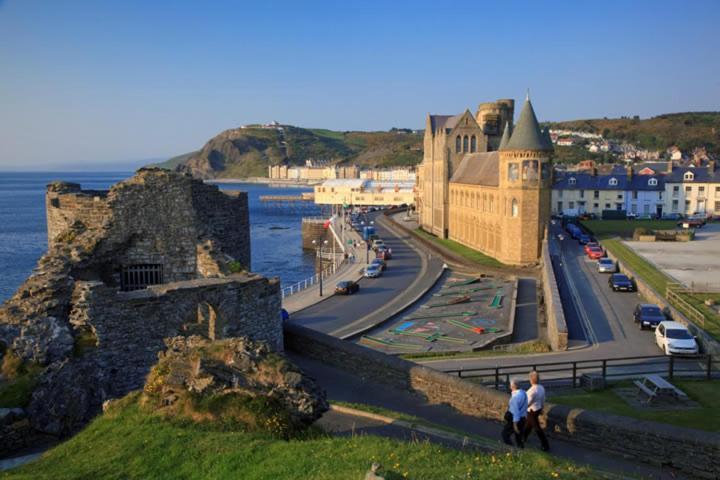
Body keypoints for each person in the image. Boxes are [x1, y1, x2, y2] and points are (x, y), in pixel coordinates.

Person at [524, 370, 550, 451]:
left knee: (537, 428)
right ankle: (523, 437)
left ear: (531, 380)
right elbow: (543, 399)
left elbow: (528, 402)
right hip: (538, 409)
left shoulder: (531, 391)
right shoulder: (541, 388)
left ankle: (545, 445)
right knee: (528, 424)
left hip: (531, 411)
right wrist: (541, 408)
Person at [502, 378, 527, 448]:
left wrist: (515, 425)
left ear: (513, 386)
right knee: (518, 438)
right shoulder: (523, 393)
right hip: (523, 418)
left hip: (516, 419)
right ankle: (521, 452)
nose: (509, 386)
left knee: (505, 434)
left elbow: (516, 412)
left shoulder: (515, 397)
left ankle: (511, 450)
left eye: (510, 385)